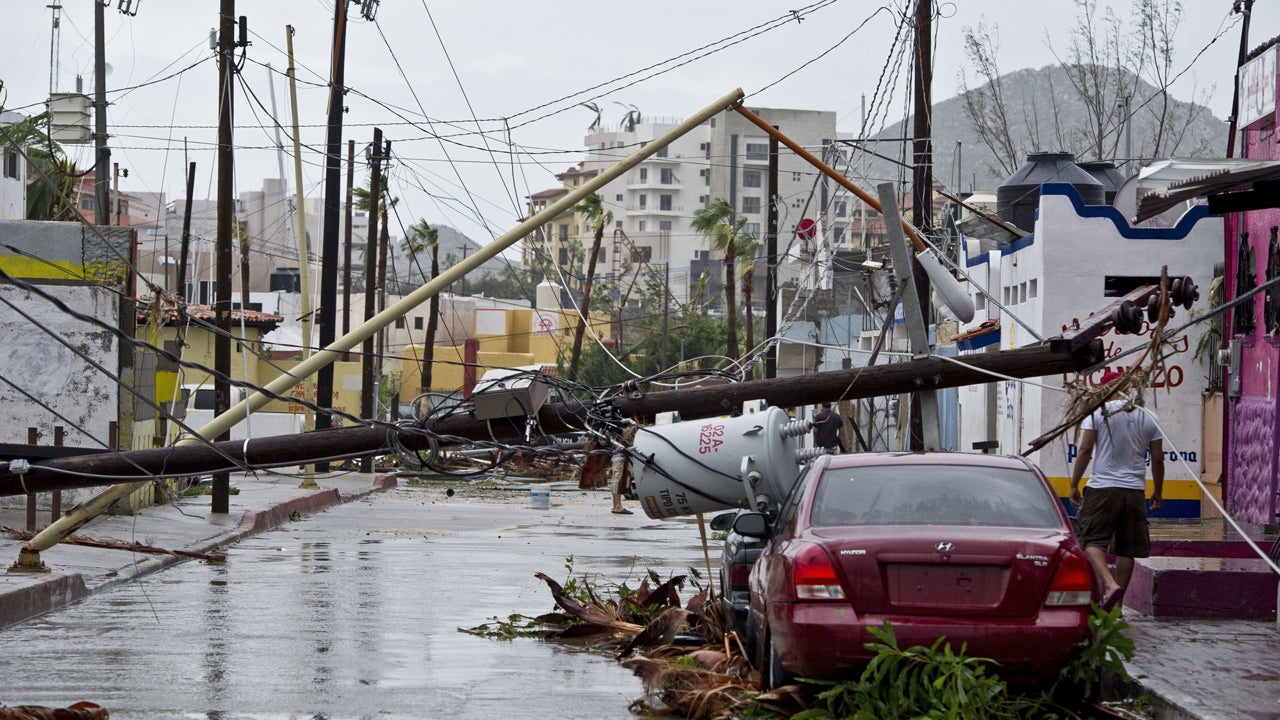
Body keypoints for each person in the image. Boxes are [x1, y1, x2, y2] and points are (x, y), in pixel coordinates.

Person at [1069, 371, 1164, 611]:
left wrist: (1073, 484)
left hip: (1102, 488)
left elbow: (1085, 451)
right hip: (1134, 491)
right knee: (1126, 548)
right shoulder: (1148, 415)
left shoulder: (1098, 413)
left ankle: (1110, 585)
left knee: (1090, 541)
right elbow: (1157, 458)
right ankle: (1117, 607)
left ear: (1104, 389)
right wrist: (1158, 491)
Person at [611, 424, 639, 514]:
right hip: (621, 458)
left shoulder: (623, 434)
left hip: (621, 458)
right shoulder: (626, 435)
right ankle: (617, 506)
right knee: (618, 480)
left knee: (620, 479)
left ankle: (617, 505)